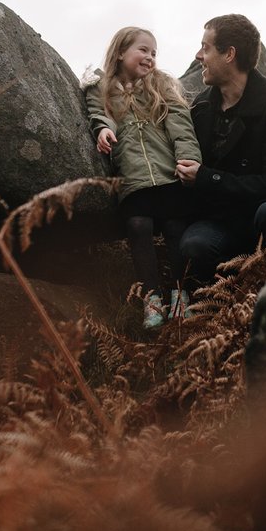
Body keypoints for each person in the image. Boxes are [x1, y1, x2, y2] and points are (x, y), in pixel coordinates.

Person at [175, 14, 266, 288]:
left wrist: (207, 178)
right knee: (194, 246)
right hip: (218, 221)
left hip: (263, 218)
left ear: (229, 54)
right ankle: (227, 306)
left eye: (206, 47)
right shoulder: (200, 108)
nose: (198, 55)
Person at [82, 27, 202, 329]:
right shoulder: (102, 86)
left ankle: (179, 296)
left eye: (154, 53)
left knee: (175, 228)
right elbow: (99, 111)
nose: (149, 57)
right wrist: (103, 129)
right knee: (138, 226)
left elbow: (180, 124)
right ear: (121, 52)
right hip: (133, 177)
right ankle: (152, 300)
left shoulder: (160, 85)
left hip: (168, 175)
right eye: (143, 50)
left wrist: (188, 159)